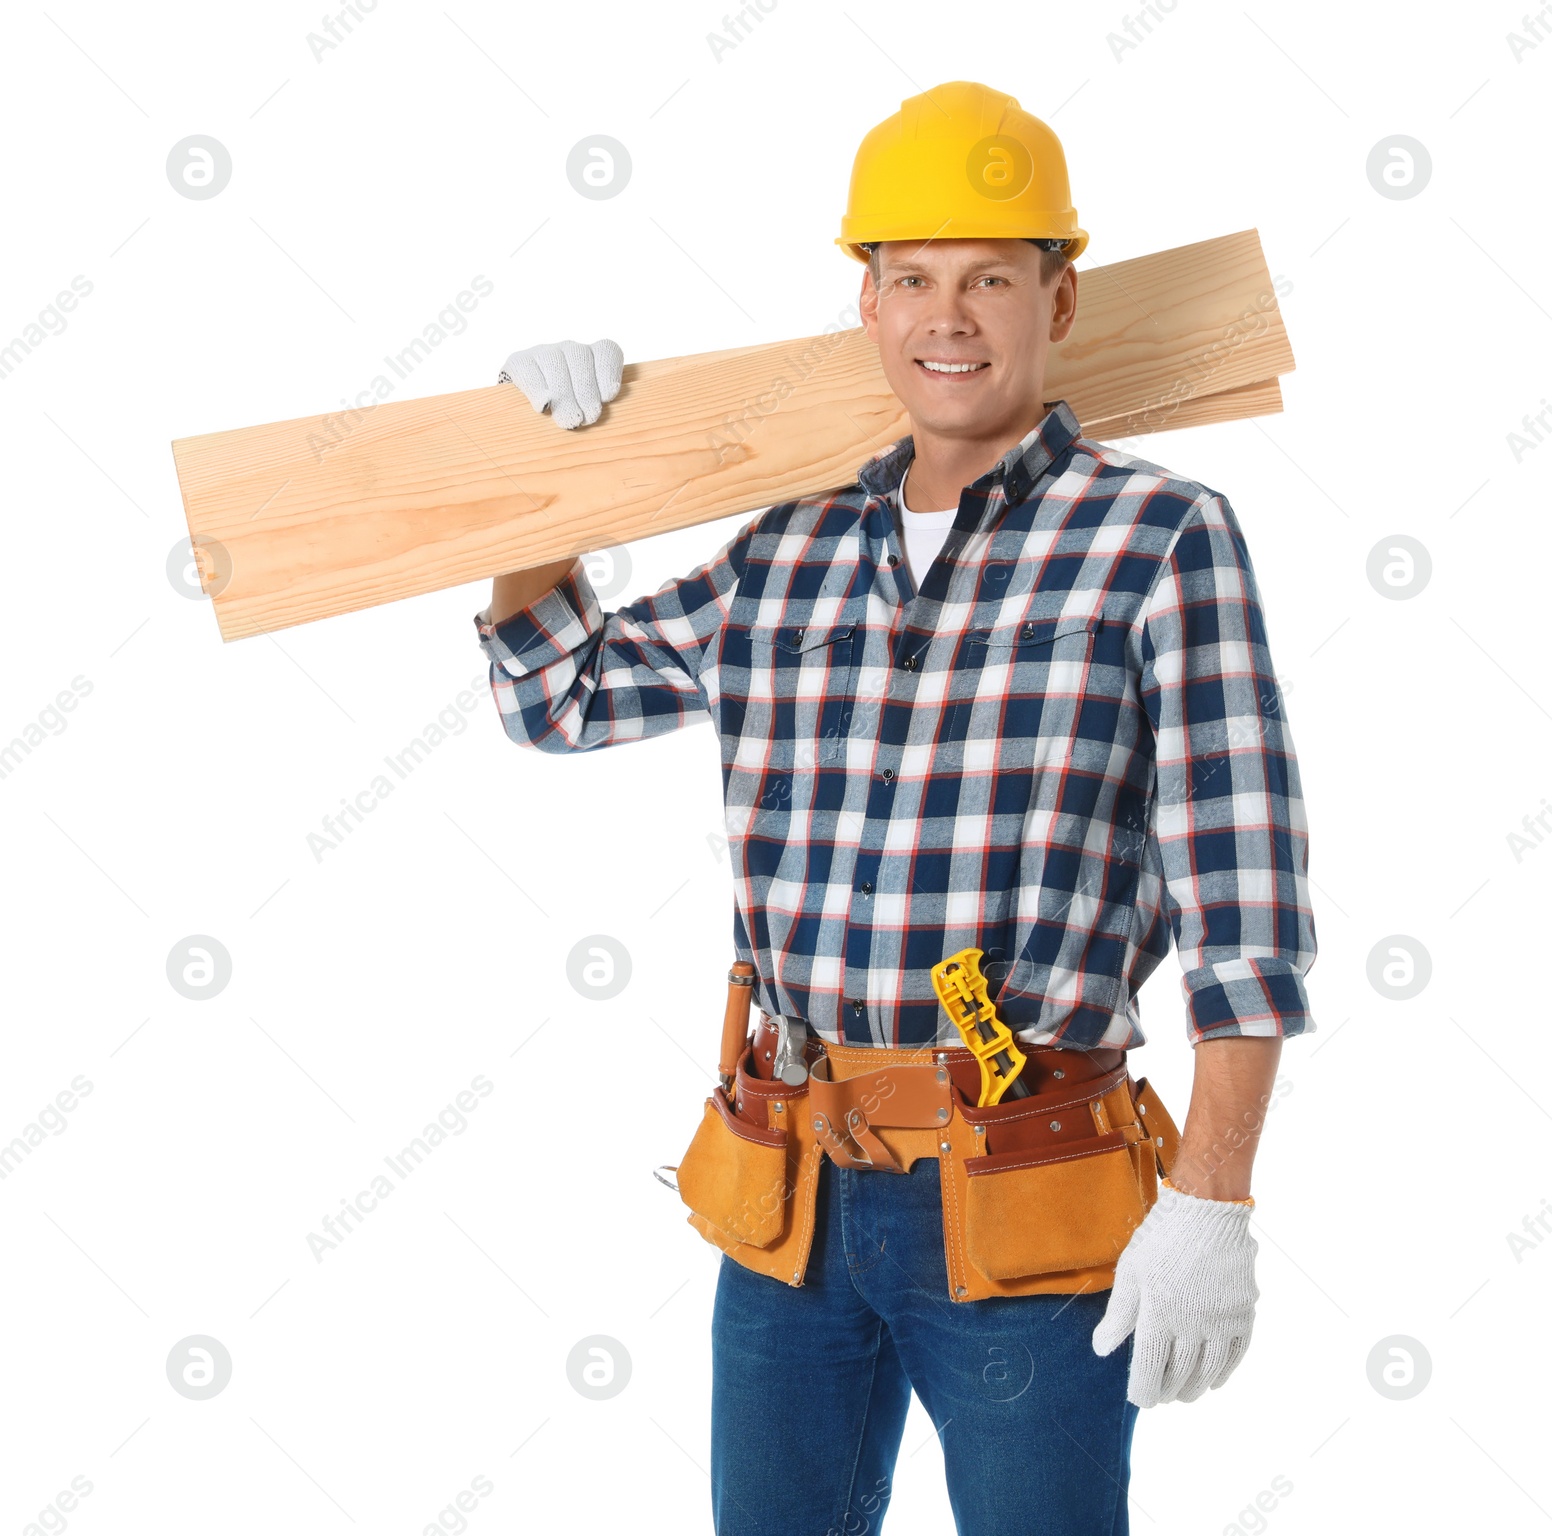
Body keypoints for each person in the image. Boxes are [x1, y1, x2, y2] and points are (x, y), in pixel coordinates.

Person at [474, 80, 1315, 1536]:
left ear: (1060, 293)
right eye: (912, 277)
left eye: (991, 277)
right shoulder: (787, 550)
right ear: (864, 303)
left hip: (1024, 1199)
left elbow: (1244, 912)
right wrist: (541, 485)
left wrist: (1215, 1203)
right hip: (788, 1193)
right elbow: (560, 695)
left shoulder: (1160, 538)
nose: (950, 316)